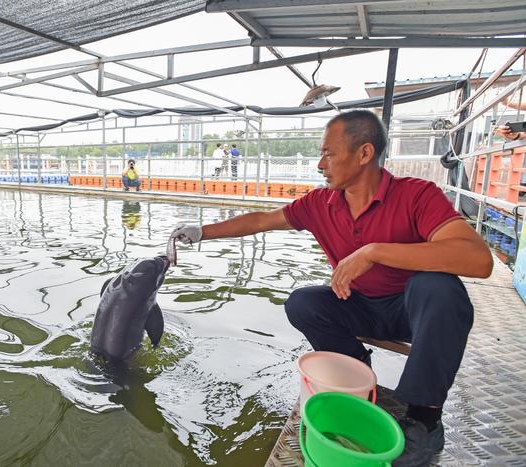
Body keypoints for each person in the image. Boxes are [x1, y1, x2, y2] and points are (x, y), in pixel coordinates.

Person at [171, 110, 493, 467]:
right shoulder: (320, 203)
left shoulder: (416, 195)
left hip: (413, 313)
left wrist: (374, 252)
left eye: (328, 153)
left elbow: (479, 260)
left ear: (364, 153)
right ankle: (357, 375)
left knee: (439, 287)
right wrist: (203, 232)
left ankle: (424, 418)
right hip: (359, 307)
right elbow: (263, 219)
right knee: (303, 303)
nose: (320, 163)